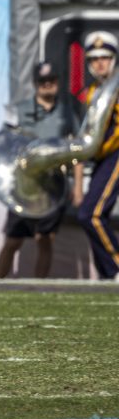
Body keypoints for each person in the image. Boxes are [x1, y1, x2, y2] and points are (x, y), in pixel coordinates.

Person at [0, 63, 81, 280]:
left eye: (51, 80)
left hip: (53, 184)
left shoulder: (68, 112)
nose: (47, 85)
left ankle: (39, 287)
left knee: (45, 239)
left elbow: (78, 149)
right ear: (35, 84)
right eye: (43, 81)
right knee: (13, 240)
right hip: (25, 185)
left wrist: (78, 186)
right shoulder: (19, 110)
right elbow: (5, 144)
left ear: (58, 82)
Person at [73, 31, 119, 279]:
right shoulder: (89, 94)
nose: (99, 63)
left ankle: (115, 267)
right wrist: (78, 186)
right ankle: (106, 274)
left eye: (105, 57)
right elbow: (81, 140)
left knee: (91, 214)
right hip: (102, 159)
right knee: (90, 215)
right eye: (94, 59)